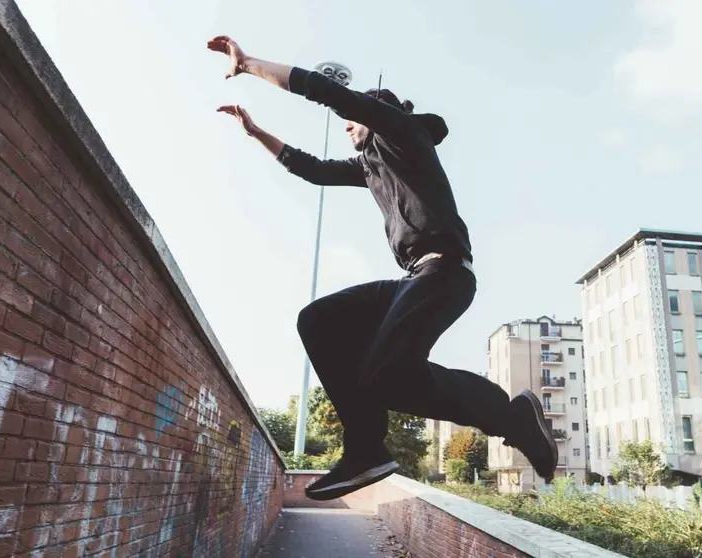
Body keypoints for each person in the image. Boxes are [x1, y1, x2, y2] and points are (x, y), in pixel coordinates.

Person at [209, 36, 558, 501]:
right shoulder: (372, 168)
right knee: (318, 320)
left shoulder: (402, 135)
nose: (347, 128)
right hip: (413, 278)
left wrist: (250, 64)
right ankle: (366, 447)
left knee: (387, 376)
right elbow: (311, 169)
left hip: (445, 271)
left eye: (352, 120)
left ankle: (507, 416)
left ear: (374, 114)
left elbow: (327, 92)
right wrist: (257, 134)